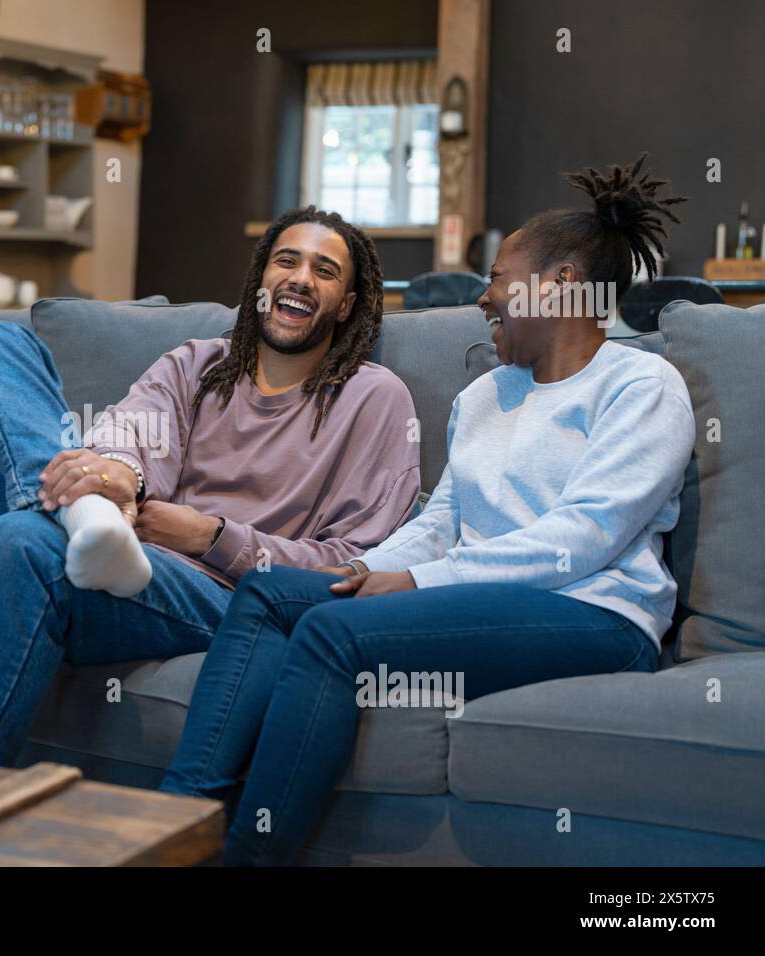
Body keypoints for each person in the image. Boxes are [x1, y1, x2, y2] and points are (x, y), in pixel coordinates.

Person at [159, 154, 695, 866]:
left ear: (561, 285)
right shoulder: (483, 396)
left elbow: (586, 536)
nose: (483, 298)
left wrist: (419, 583)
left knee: (332, 634)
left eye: (498, 279)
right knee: (265, 593)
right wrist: (363, 569)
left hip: (594, 613)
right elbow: (441, 522)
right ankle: (169, 828)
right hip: (482, 596)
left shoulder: (640, 384)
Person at [0, 206, 421, 766]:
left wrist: (210, 536)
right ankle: (80, 520)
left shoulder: (375, 398)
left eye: (324, 271)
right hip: (117, 553)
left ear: (345, 305)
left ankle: (70, 521)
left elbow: (353, 566)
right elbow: (127, 432)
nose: (300, 277)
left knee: (18, 540)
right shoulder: (197, 364)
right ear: (260, 282)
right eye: (286, 261)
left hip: (223, 596)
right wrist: (119, 474)